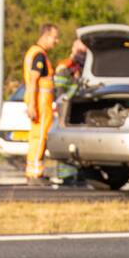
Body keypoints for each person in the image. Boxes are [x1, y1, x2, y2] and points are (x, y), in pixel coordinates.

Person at [22, 24, 60, 185]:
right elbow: (33, 80)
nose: (56, 41)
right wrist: (32, 105)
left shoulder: (34, 52)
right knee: (40, 137)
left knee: (36, 137)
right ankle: (35, 174)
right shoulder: (39, 55)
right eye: (55, 37)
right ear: (45, 36)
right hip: (41, 103)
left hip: (38, 102)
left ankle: (32, 171)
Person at [53, 39, 88, 185]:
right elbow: (61, 93)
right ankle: (66, 175)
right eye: (82, 52)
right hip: (66, 108)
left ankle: (79, 173)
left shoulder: (82, 67)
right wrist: (76, 85)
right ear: (74, 50)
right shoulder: (65, 66)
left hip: (78, 109)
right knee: (65, 141)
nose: (84, 55)